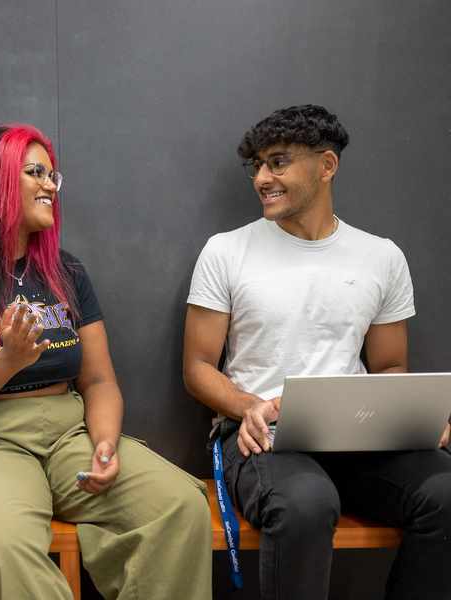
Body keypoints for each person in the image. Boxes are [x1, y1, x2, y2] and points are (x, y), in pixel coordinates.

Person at [0, 124, 211, 600]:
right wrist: (7, 362)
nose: (50, 185)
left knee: (179, 504)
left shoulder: (66, 273)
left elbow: (100, 379)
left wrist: (105, 444)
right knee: (5, 546)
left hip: (68, 434)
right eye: (34, 173)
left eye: (52, 175)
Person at [183, 104, 451, 600]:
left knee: (446, 492)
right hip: (261, 438)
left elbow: (390, 366)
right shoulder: (226, 251)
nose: (263, 177)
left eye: (278, 162)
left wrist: (417, 421)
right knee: (306, 503)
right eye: (257, 165)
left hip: (359, 439)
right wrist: (248, 407)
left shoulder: (382, 257)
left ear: (326, 165)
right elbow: (198, 368)